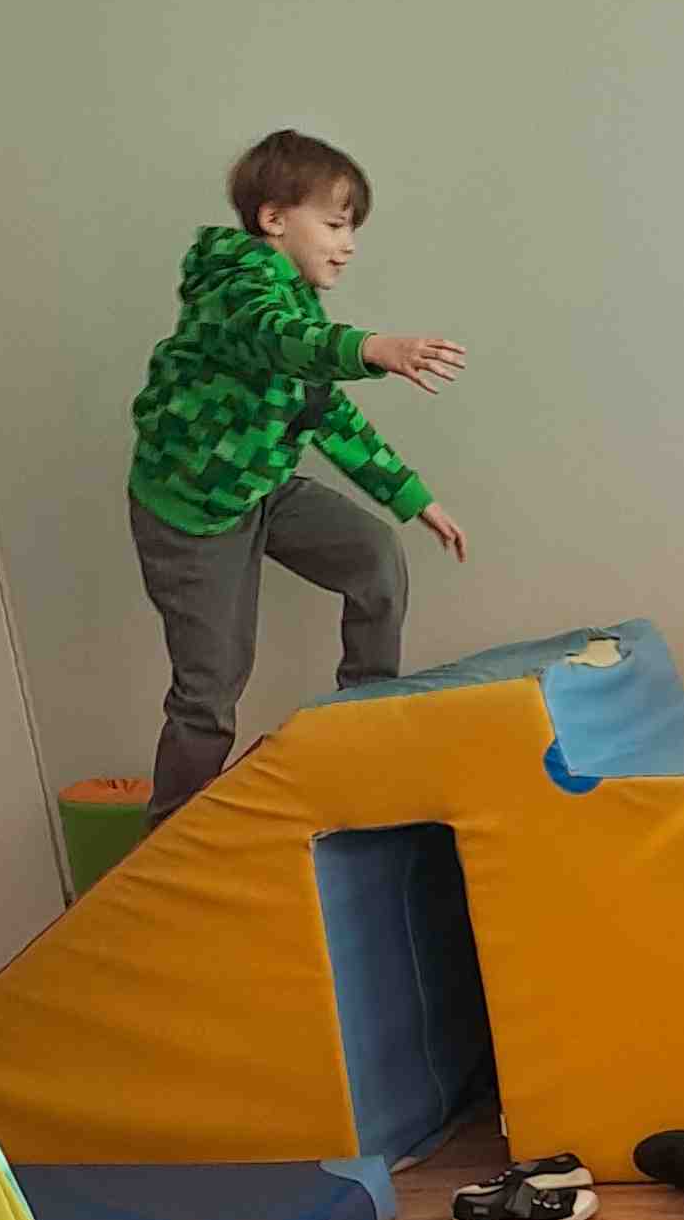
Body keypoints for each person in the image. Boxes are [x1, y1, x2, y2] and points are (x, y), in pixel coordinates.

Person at [127, 129, 471, 818]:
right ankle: (168, 835)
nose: (348, 245)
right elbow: (280, 340)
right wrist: (373, 347)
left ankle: (362, 722)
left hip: (262, 485)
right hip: (195, 509)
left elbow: (323, 408)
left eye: (353, 229)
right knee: (211, 690)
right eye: (336, 225)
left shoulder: (297, 299)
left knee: (374, 555)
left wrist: (413, 497)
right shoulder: (234, 290)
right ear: (274, 219)